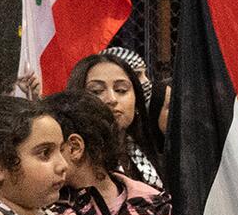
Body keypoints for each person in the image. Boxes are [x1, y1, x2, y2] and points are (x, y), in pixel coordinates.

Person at [44, 90, 174, 215]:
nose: (42, 162)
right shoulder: (46, 209)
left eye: (46, 152)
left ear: (74, 147)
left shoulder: (154, 203)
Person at [69, 51, 167, 189]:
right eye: (97, 91)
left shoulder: (149, 155)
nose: (112, 99)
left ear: (137, 102)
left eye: (121, 90)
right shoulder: (70, 162)